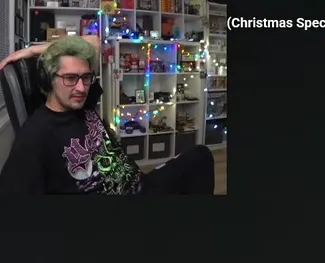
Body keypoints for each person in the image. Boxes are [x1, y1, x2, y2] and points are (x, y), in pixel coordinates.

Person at [0, 35, 214, 195]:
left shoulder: (80, 101)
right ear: (49, 79)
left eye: (86, 77)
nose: (81, 88)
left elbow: (94, 41)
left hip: (140, 185)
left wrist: (32, 50)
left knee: (200, 157)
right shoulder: (34, 137)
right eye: (70, 78)